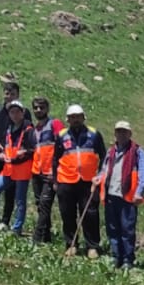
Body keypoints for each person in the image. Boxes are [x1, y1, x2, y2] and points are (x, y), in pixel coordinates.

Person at [53, 105, 105, 257]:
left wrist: (100, 175)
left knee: (90, 213)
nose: (75, 119)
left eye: (78, 116)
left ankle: (92, 246)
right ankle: (71, 244)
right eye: (72, 117)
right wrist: (56, 181)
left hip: (88, 181)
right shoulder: (62, 135)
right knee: (67, 213)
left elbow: (104, 157)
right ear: (67, 119)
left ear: (83, 117)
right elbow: (55, 159)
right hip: (66, 180)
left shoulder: (94, 134)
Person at [96, 120, 144, 268]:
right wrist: (98, 178)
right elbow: (105, 169)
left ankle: (127, 259)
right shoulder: (111, 152)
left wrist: (139, 192)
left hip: (128, 196)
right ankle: (116, 256)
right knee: (112, 228)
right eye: (119, 131)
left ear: (130, 134)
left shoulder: (137, 152)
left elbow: (143, 174)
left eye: (124, 132)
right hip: (111, 194)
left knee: (127, 229)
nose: (121, 134)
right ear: (115, 134)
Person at [0, 100, 36, 234]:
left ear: (22, 113)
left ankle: (16, 228)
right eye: (11, 112)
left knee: (20, 201)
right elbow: (5, 145)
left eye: (17, 112)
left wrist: (24, 152)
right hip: (8, 169)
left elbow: (34, 149)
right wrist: (2, 153)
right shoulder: (9, 128)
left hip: (22, 170)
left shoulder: (29, 130)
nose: (14, 115)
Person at [28, 97, 61, 241]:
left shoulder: (54, 124)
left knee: (45, 204)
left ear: (47, 109)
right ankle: (46, 236)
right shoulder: (34, 129)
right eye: (35, 108)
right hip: (37, 172)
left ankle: (37, 237)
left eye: (41, 107)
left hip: (50, 172)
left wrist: (56, 171)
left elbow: (63, 146)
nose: (38, 110)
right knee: (40, 205)